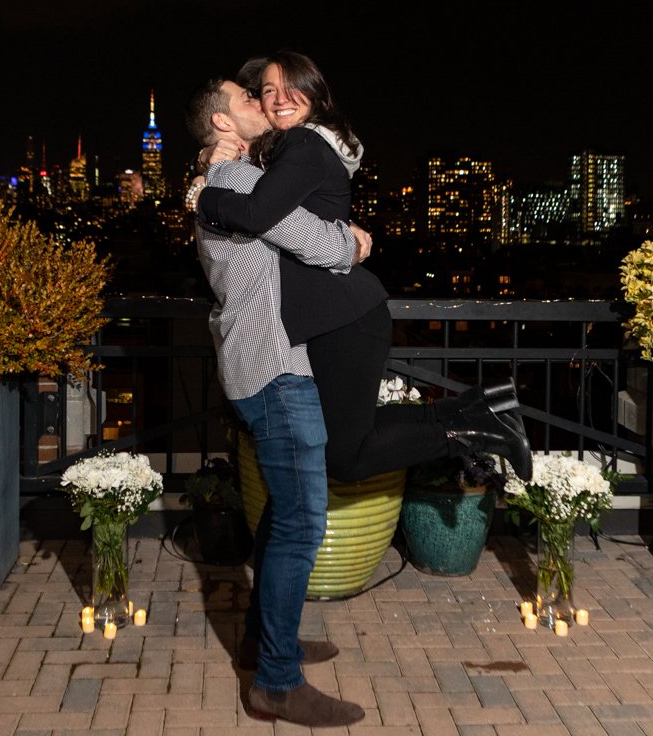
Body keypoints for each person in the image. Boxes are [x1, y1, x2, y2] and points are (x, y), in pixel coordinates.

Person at [190, 51, 532, 484]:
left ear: (315, 95)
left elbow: (260, 213)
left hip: (345, 317)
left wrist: (201, 197)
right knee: (347, 446)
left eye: (288, 88)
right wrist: (206, 161)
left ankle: (478, 424)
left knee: (343, 457)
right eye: (262, 93)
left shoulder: (302, 143)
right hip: (334, 319)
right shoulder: (276, 153)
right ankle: (482, 410)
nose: (270, 101)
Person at [184, 77, 367, 727]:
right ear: (222, 122)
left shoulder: (224, 184)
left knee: (283, 516)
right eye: (248, 99)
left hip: (260, 362)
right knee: (301, 522)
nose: (266, 105)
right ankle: (277, 684)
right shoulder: (236, 186)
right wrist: (354, 240)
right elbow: (320, 245)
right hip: (275, 370)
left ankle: (268, 642)